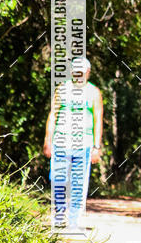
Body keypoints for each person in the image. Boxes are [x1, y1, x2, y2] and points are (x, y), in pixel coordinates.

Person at [43, 57, 103, 231]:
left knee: (78, 183)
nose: (79, 76)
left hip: (83, 144)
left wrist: (96, 147)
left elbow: (99, 120)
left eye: (82, 73)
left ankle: (73, 220)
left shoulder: (94, 92)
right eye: (76, 72)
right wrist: (48, 140)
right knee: (58, 179)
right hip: (61, 142)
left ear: (88, 73)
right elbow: (52, 115)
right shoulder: (62, 89)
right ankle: (59, 214)